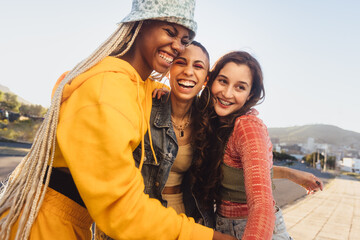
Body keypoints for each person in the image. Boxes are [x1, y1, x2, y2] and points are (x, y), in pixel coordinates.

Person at [0, 1, 236, 239]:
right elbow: (122, 208)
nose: (177, 46)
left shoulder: (134, 84)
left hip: (67, 219)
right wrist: (209, 237)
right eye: (170, 32)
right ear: (140, 25)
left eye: (184, 40)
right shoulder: (107, 90)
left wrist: (168, 91)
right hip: (41, 225)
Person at [191, 50, 289, 239]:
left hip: (254, 230)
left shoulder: (247, 127)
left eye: (240, 87)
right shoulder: (214, 120)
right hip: (225, 227)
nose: (227, 94)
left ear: (250, 94)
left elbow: (262, 204)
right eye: (223, 81)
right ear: (210, 81)